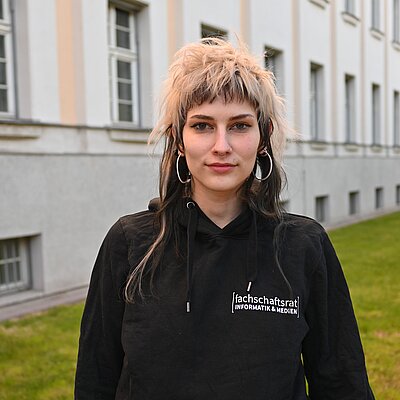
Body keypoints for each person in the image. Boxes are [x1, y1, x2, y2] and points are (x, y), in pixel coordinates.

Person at [74, 38, 375, 400]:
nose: (221, 146)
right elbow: (95, 380)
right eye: (202, 126)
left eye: (239, 126)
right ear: (178, 140)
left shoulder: (302, 246)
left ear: (263, 137)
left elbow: (342, 382)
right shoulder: (130, 243)